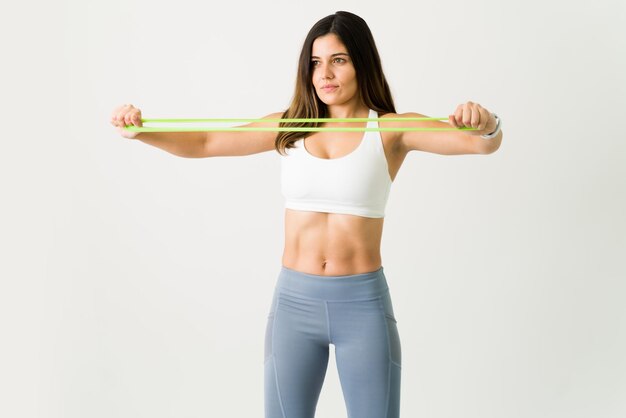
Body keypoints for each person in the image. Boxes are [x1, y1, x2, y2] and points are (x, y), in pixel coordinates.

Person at [110, 10, 503, 418]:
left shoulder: (390, 130)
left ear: (361, 63)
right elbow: (206, 142)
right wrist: (140, 131)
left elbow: (481, 145)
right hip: (293, 306)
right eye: (315, 63)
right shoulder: (290, 125)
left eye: (339, 60)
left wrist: (487, 124)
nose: (325, 74)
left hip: (362, 306)